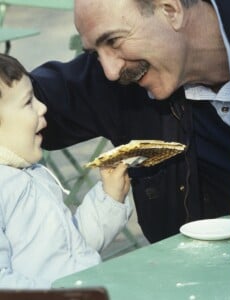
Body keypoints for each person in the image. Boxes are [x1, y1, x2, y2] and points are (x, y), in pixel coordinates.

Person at [31, 0, 230, 243]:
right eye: (95, 53)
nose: (110, 71)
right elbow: (19, 98)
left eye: (113, 41)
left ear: (170, 10)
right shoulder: (119, 81)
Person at [0, 53, 132, 288]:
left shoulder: (33, 173)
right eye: (28, 102)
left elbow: (71, 246)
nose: (42, 107)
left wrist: (109, 199)